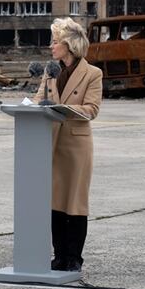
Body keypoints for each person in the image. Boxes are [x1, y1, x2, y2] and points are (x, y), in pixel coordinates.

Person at [33, 17, 103, 272]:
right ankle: (59, 255)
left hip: (76, 146)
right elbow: (39, 98)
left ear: (69, 46)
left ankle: (74, 257)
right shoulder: (50, 70)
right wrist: (32, 106)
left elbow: (91, 109)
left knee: (74, 203)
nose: (51, 47)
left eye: (55, 42)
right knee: (55, 202)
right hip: (51, 143)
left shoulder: (93, 74)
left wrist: (62, 108)